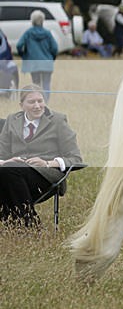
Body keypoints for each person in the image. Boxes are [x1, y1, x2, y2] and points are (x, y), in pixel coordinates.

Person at [0, 84, 83, 228]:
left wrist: (47, 163)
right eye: (32, 102)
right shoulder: (12, 120)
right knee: (7, 171)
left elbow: (75, 158)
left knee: (8, 172)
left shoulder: (58, 120)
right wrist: (6, 160)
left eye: (40, 100)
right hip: (13, 172)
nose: (37, 106)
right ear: (21, 105)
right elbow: (2, 152)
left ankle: (29, 225)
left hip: (45, 174)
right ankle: (12, 224)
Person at [16, 10, 58, 101]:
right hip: (47, 63)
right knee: (46, 84)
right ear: (43, 20)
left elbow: (19, 45)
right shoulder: (47, 33)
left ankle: (38, 103)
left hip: (33, 63)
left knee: (36, 84)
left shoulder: (28, 33)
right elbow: (55, 48)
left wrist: (23, 55)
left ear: (32, 21)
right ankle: (46, 103)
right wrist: (52, 57)